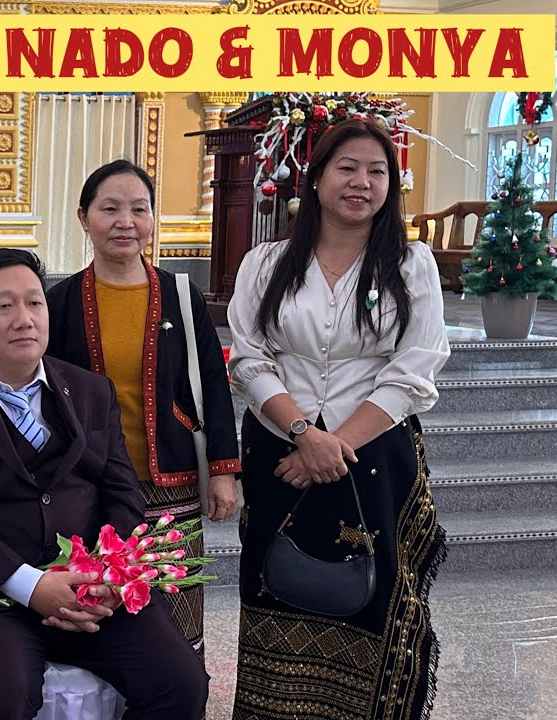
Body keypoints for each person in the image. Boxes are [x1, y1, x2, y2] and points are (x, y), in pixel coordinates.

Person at [0, 249, 208, 720]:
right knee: (4, 697)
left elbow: (123, 494)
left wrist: (106, 575)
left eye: (34, 303)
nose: (24, 319)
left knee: (181, 682)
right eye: (4, 306)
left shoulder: (90, 390)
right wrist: (32, 585)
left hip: (90, 583)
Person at [227, 118, 450, 719]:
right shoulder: (266, 263)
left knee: (376, 590)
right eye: (347, 168)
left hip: (375, 447)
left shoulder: (410, 265)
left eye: (377, 171)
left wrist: (334, 446)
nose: (362, 182)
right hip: (280, 447)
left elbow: (415, 367)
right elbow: (249, 360)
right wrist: (304, 434)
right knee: (277, 583)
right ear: (317, 178)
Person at [46, 160, 240, 654]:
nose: (124, 222)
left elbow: (212, 385)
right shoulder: (60, 301)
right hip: (89, 485)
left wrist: (222, 471)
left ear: (152, 219)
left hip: (169, 480)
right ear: (83, 217)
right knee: (100, 608)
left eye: (139, 209)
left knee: (175, 612)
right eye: (109, 209)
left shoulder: (180, 293)